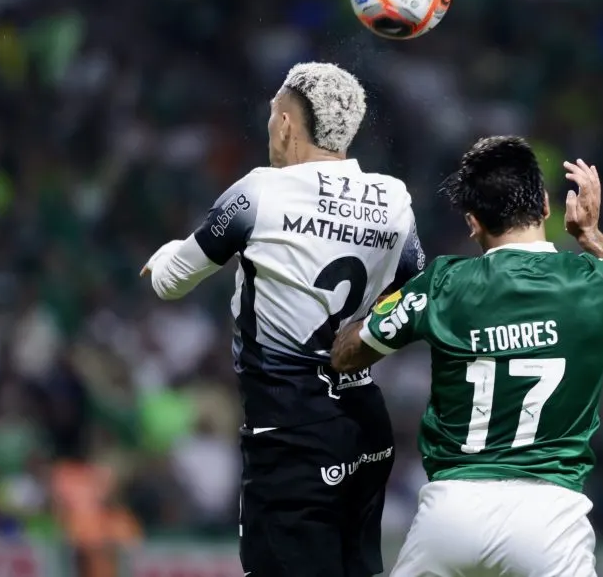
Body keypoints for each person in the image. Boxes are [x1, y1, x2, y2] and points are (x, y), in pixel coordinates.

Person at [331, 135, 603, 577]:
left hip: (452, 513)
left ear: (473, 222)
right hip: (550, 517)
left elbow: (346, 355)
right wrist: (591, 237)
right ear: (547, 209)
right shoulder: (593, 280)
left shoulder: (443, 284)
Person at [140, 62, 425, 577]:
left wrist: (163, 255)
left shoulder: (259, 193)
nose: (270, 123)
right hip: (365, 428)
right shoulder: (394, 201)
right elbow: (417, 289)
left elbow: (170, 282)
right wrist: (364, 334)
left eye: (274, 112)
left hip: (290, 432)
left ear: (288, 124)